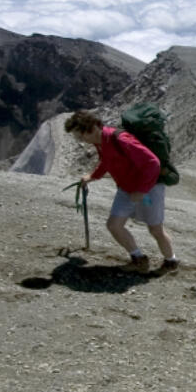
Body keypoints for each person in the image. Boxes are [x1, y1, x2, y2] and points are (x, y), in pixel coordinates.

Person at [65, 109, 176, 272]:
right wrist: (93, 176)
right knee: (114, 225)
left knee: (155, 229)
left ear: (89, 130)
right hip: (126, 189)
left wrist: (142, 190)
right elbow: (107, 161)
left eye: (79, 135)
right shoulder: (101, 141)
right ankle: (138, 259)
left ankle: (171, 261)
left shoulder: (120, 139)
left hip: (149, 189)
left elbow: (153, 163)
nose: (80, 140)